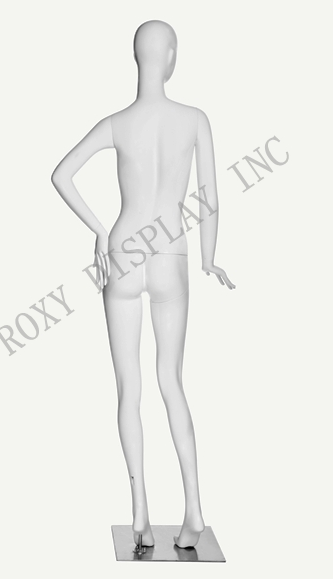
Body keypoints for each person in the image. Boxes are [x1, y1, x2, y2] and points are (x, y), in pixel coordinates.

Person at [51, 19, 235, 550]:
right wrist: (209, 258)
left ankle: (139, 514)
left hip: (124, 252)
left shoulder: (116, 123)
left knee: (128, 387)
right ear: (171, 56)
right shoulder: (194, 119)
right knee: (171, 381)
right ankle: (193, 511)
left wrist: (100, 229)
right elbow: (209, 198)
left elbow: (61, 174)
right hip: (170, 253)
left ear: (137, 58)